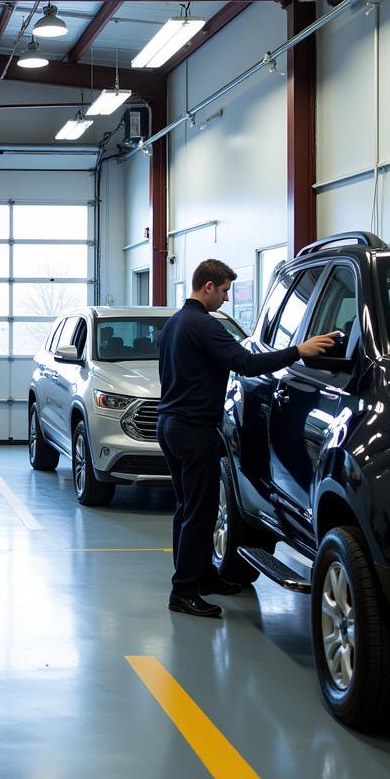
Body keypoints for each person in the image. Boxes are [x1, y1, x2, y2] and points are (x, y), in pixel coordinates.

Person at [157, 259, 338, 617]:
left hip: (171, 426)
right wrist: (298, 351)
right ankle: (184, 592)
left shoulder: (175, 324)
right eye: (223, 290)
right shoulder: (204, 325)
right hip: (193, 431)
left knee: (187, 509)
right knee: (200, 512)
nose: (226, 298)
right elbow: (247, 364)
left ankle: (202, 575)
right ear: (207, 286)